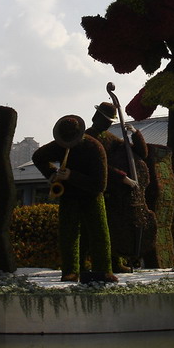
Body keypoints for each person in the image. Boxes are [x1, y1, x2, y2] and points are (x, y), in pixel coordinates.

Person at [32, 115, 117, 283]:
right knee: (68, 234)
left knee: (98, 233)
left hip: (92, 196)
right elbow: (38, 157)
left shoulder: (94, 147)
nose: (67, 146)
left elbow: (100, 185)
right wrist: (51, 174)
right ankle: (70, 271)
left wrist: (72, 176)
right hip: (69, 195)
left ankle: (103, 270)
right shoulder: (60, 144)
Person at [85, 102, 154, 272]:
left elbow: (141, 153)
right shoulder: (88, 137)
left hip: (117, 191)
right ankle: (96, 263)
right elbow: (98, 165)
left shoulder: (109, 137)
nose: (108, 124)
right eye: (106, 120)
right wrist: (122, 177)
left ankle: (116, 261)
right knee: (100, 228)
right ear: (96, 117)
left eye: (110, 121)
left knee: (115, 227)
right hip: (103, 187)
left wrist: (135, 134)